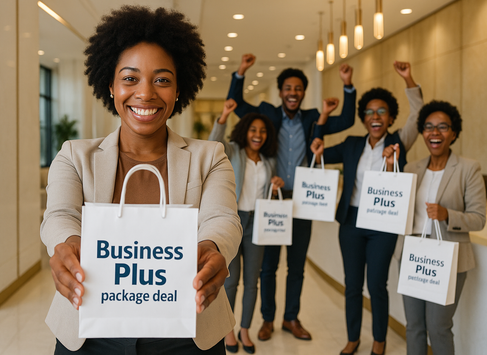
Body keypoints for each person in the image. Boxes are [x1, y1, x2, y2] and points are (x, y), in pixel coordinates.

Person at [41, 6, 242, 354]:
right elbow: (59, 215)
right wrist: (68, 243)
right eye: (130, 78)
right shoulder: (74, 155)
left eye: (162, 79)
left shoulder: (211, 157)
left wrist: (213, 247)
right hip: (90, 332)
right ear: (111, 85)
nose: (146, 93)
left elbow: (222, 218)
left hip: (186, 332)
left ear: (179, 89)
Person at [227, 53, 357, 342]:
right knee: (268, 266)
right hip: (271, 198)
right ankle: (267, 319)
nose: (293, 93)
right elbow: (236, 105)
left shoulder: (313, 118)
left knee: (297, 265)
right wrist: (241, 72)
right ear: (280, 92)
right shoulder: (267, 113)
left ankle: (291, 318)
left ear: (303, 93)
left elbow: (347, 120)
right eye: (288, 88)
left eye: (298, 89)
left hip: (303, 200)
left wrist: (348, 86)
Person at [310, 62, 423, 355]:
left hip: (383, 223)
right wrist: (323, 120)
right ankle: (352, 338)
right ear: (363, 118)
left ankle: (379, 341)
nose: (375, 116)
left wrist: (408, 79)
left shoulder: (400, 142)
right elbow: (317, 147)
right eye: (370, 112)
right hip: (351, 222)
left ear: (390, 117)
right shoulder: (351, 144)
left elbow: (419, 115)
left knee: (377, 284)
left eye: (382, 111)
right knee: (352, 285)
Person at [402, 101, 486, 355]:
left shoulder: (468, 169)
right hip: (413, 253)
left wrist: (447, 214)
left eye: (442, 127)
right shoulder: (410, 168)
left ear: (454, 132)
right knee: (414, 326)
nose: (434, 133)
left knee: (438, 326)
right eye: (428, 127)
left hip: (447, 257)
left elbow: (479, 218)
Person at [209, 99, 284, 354]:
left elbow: (267, 192)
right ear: (245, 131)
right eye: (253, 130)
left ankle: (244, 329)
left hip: (258, 221)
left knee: (253, 281)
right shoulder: (232, 151)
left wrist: (275, 186)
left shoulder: (268, 160)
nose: (258, 135)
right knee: (231, 281)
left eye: (262, 131)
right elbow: (213, 144)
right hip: (234, 219)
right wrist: (224, 116)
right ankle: (228, 330)